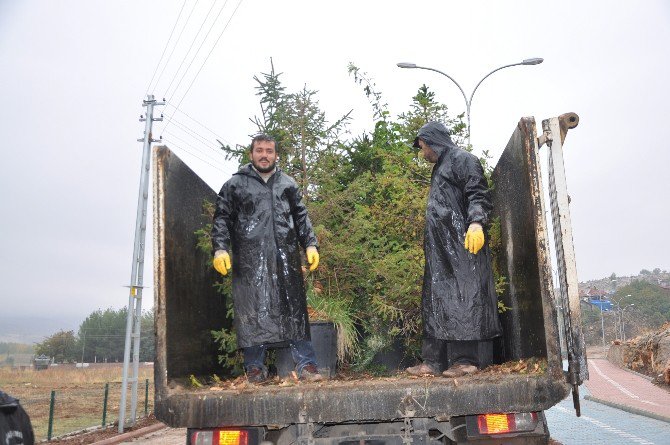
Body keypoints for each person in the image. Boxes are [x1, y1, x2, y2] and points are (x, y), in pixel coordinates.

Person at [211, 134, 323, 383]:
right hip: (250, 259)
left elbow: (301, 217)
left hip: (285, 257)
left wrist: (311, 244)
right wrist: (220, 249)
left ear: (276, 155)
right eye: (259, 150)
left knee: (293, 308)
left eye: (269, 151)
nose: (264, 155)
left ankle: (307, 365)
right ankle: (254, 367)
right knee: (252, 309)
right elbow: (222, 218)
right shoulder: (235, 185)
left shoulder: (287, 184)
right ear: (251, 154)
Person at [406, 121, 502, 378]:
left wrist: (476, 223)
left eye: (423, 146)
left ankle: (465, 361)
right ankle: (432, 362)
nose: (423, 152)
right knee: (436, 301)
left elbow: (478, 193)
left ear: (433, 141)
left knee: (464, 300)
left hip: (461, 247)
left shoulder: (463, 160)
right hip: (441, 250)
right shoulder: (441, 167)